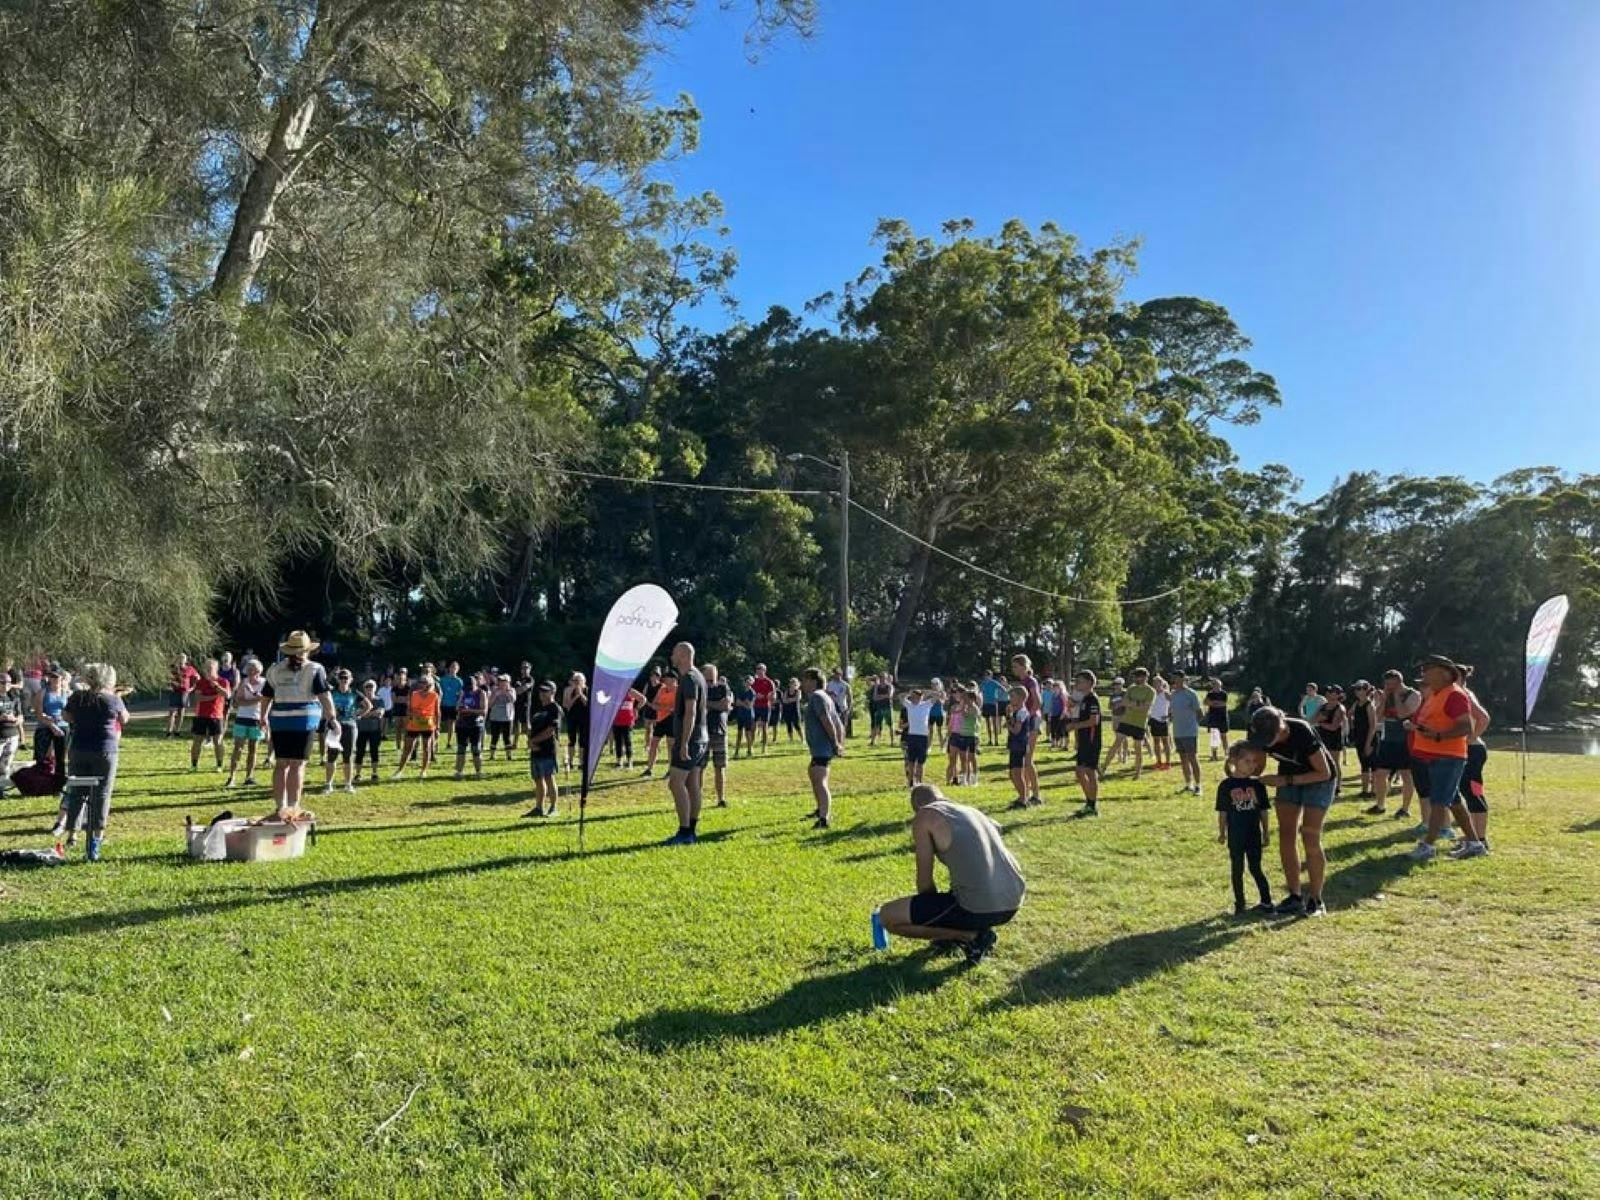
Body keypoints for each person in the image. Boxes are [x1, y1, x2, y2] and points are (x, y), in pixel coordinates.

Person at [877, 783, 1026, 965]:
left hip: (981, 908)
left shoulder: (925, 817)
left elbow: (924, 883)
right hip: (1014, 902)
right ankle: (967, 930)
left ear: (916, 808)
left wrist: (934, 922)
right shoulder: (973, 812)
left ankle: (969, 937)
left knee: (887, 916)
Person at [1247, 704, 1337, 918]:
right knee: (1286, 835)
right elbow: (1258, 763)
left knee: (1310, 836)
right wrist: (1244, 774)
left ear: (1282, 728)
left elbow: (1323, 773)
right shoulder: (1259, 732)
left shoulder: (1301, 731)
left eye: (1271, 738)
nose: (1267, 743)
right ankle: (1295, 897)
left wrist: (1284, 780)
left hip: (1319, 781)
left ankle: (1316, 900)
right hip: (1288, 780)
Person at [1405, 655, 1476, 862]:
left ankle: (1428, 845)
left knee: (1438, 801)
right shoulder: (1436, 694)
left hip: (1448, 756)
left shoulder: (1454, 695)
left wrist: (1437, 736)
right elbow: (1436, 723)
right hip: (1435, 756)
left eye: (1427, 669)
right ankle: (1474, 843)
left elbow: (1466, 727)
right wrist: (1420, 729)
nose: (1423, 673)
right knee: (1452, 800)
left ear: (1443, 673)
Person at [259, 631, 337, 821]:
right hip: (304, 720)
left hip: (279, 720)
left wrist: (263, 717)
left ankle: (280, 807)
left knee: (281, 764)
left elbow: (266, 696)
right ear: (307, 651)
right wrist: (332, 717)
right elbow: (324, 695)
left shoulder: (275, 669)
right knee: (298, 764)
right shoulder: (314, 668)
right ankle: (294, 807)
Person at [58, 663, 130, 862]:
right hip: (104, 750)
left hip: (79, 749)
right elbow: (124, 719)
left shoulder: (77, 697)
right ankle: (95, 841)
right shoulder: (113, 700)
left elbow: (66, 716)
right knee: (102, 794)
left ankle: (72, 833)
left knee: (77, 791)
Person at [1217, 743, 1275, 917]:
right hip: (1235, 835)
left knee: (1256, 868)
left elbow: (1264, 811)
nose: (1252, 765)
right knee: (1237, 869)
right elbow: (1223, 812)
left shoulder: (1258, 785)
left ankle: (1266, 902)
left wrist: (1266, 832)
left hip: (1253, 834)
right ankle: (1240, 904)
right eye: (1247, 761)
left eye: (1254, 761)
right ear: (1234, 761)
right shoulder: (1226, 785)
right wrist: (1222, 832)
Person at [664, 642, 710, 845]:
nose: (671, 655)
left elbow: (690, 712)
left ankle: (684, 832)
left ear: (682, 655)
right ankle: (691, 830)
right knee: (692, 783)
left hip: (691, 739)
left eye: (674, 652)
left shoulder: (690, 678)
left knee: (675, 783)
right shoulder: (698, 675)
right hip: (701, 737)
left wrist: (683, 743)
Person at [1448, 667, 1493, 858]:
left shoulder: (1465, 694)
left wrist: (1471, 738)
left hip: (1473, 751)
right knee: (1466, 792)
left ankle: (1480, 840)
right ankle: (1473, 837)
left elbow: (1483, 718)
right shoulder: (1459, 694)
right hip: (1468, 750)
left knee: (1474, 793)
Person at [1368, 669, 1419, 818]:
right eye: (1386, 684)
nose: (1388, 687)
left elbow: (1403, 714)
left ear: (1399, 682)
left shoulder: (1413, 695)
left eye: (1391, 684)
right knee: (1380, 773)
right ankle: (1380, 805)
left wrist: (1396, 696)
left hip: (1405, 741)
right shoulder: (1387, 695)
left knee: (1406, 775)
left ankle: (1405, 808)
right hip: (1388, 740)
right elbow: (1377, 716)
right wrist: (1384, 700)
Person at [800, 666, 845, 829]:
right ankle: (820, 810)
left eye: (805, 679)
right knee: (814, 774)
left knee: (820, 781)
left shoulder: (818, 697)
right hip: (820, 747)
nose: (802, 683)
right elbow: (838, 723)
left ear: (813, 681)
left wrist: (835, 743)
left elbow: (827, 721)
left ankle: (824, 818)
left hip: (823, 747)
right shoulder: (823, 697)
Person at [320, 668, 367, 794]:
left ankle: (348, 784)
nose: (344, 680)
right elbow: (323, 703)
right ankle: (328, 784)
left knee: (348, 756)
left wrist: (358, 715)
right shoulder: (332, 692)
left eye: (346, 678)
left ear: (351, 680)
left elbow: (368, 706)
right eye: (341, 677)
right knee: (332, 755)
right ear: (338, 679)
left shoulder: (355, 693)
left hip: (350, 726)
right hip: (334, 727)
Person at [1103, 667, 1155, 779]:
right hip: (1126, 720)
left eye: (1139, 676)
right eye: (1135, 676)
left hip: (1140, 723)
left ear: (1145, 677)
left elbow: (1145, 707)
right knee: (1116, 743)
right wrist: (1136, 703)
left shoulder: (1150, 691)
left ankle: (1137, 773)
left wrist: (1132, 704)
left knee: (1138, 748)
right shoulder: (1131, 688)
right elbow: (1124, 702)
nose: (1136, 678)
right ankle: (1103, 767)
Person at [224, 657, 268, 788]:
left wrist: (256, 701)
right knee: (238, 748)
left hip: (256, 719)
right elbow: (238, 702)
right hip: (242, 718)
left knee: (253, 749)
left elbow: (267, 700)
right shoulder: (244, 682)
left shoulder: (265, 683)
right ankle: (232, 777)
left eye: (253, 670)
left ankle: (249, 777)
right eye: (249, 670)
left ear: (259, 670)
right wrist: (256, 700)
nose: (251, 672)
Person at [1064, 670, 1103, 816]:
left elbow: (1094, 721)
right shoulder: (1084, 699)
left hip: (1092, 741)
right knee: (1080, 772)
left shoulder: (1092, 699)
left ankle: (1092, 805)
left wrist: (1075, 726)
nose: (1077, 684)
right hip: (1084, 740)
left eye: (1080, 681)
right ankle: (1089, 802)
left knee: (1089, 772)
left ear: (1089, 683)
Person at [1009, 654, 1044, 805]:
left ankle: (1036, 795)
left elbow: (1037, 701)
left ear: (1024, 666)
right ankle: (1025, 794)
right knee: (1024, 761)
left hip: (1032, 721)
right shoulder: (1023, 682)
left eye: (1016, 666)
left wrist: (1027, 718)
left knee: (1028, 759)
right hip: (1026, 720)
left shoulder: (1031, 681)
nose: (1013, 669)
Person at [524, 681, 562, 817]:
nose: (542, 694)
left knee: (549, 778)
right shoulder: (539, 709)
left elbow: (551, 730)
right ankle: (539, 808)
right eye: (541, 691)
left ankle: (553, 808)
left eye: (546, 691)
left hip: (548, 749)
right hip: (535, 750)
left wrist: (533, 740)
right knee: (538, 779)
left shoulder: (554, 708)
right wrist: (530, 740)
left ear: (553, 692)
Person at [392, 672, 440, 779]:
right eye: (420, 682)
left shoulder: (434, 695)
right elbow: (408, 710)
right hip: (413, 724)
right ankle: (399, 771)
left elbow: (437, 712)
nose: (421, 684)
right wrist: (413, 714)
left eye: (424, 682)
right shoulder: (414, 694)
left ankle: (424, 771)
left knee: (426, 748)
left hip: (428, 725)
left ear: (429, 684)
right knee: (407, 748)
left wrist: (437, 727)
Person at [188, 658, 229, 771]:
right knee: (197, 741)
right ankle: (194, 765)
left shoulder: (223, 681)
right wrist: (215, 696)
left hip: (217, 715)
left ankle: (219, 765)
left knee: (218, 741)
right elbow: (199, 698)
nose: (208, 670)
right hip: (201, 714)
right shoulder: (200, 682)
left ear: (216, 669)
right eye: (206, 668)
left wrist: (215, 686)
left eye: (210, 668)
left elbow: (227, 695)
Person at [1168, 671, 1204, 796]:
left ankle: (1199, 786)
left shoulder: (1191, 694)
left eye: (1177, 679)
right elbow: (1172, 712)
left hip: (1190, 732)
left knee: (1192, 758)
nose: (1175, 681)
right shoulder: (1173, 694)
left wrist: (1193, 726)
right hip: (1178, 731)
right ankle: (1189, 784)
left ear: (1183, 679)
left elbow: (1200, 713)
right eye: (1174, 679)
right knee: (1183, 759)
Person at [1004, 685, 1038, 811]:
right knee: (1012, 774)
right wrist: (1008, 715)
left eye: (1012, 696)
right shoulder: (1017, 711)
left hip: (1020, 745)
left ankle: (1024, 799)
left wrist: (1008, 725)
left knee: (1017, 774)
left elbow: (1016, 730)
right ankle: (1022, 796)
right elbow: (1013, 724)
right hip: (1015, 745)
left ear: (1021, 698)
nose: (1010, 699)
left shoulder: (1022, 712)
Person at [703, 662, 732, 807]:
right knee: (699, 768)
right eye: (707, 680)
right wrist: (716, 704)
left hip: (720, 731)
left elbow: (725, 706)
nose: (710, 683)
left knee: (720, 767)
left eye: (712, 680)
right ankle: (698, 799)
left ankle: (721, 798)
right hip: (702, 732)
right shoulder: (699, 688)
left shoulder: (723, 687)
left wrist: (707, 703)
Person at [32, 668, 69, 775]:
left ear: (62, 679)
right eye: (52, 677)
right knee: (41, 758)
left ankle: (59, 783)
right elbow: (38, 714)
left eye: (57, 677)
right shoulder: (43, 692)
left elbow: (68, 712)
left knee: (60, 758)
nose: (54, 679)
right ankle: (40, 781)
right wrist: (52, 725)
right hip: (45, 725)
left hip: (62, 725)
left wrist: (62, 718)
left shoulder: (66, 693)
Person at [641, 667, 677, 777]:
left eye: (666, 678)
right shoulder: (662, 689)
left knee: (670, 745)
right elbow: (654, 704)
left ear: (673, 679)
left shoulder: (678, 690)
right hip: (660, 719)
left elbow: (675, 708)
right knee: (653, 743)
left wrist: (662, 707)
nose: (664, 680)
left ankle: (671, 770)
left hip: (672, 720)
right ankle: (649, 768)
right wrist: (665, 708)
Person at [453, 672, 487, 780]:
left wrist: (470, 710)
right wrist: (461, 707)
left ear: (476, 683)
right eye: (468, 686)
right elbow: (457, 707)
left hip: (476, 724)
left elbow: (483, 711)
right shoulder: (464, 692)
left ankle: (478, 771)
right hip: (462, 724)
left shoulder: (481, 693)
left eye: (472, 685)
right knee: (461, 748)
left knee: (476, 748)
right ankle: (459, 772)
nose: (470, 688)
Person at [1348, 680, 1379, 800]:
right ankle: (1364, 790)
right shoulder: (1356, 704)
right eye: (1356, 689)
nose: (1358, 691)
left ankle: (1374, 790)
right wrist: (1351, 725)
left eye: (1361, 689)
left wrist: (1368, 743)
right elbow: (1348, 714)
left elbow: (1373, 726)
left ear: (1367, 690)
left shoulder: (1369, 705)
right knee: (1364, 765)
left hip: (1369, 737)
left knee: (1373, 765)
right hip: (1359, 737)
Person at [900, 686, 935, 787]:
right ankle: (910, 782)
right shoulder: (909, 705)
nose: (916, 699)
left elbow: (939, 695)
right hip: (912, 736)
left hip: (923, 736)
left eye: (918, 697)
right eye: (914, 697)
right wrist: (909, 693)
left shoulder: (926, 705)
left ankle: (919, 782)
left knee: (921, 762)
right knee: (911, 761)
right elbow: (901, 696)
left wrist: (926, 692)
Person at [355, 678, 385, 782]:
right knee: (360, 751)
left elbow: (380, 713)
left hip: (374, 730)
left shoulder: (379, 700)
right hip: (361, 730)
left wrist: (365, 714)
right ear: (364, 689)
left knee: (374, 751)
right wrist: (372, 713)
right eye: (367, 687)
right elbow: (356, 713)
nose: (369, 689)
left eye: (371, 686)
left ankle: (375, 773)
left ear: (375, 688)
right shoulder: (359, 700)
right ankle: (358, 774)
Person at [0, 674, 25, 795]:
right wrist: (2, 717)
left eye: (8, 683)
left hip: (12, 734)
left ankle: (1, 789)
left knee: (6, 764)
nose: (6, 685)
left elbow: (20, 715)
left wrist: (17, 719)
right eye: (2, 683)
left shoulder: (13, 696)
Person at [611, 684, 646, 769]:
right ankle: (619, 762)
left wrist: (636, 708)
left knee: (628, 741)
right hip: (616, 720)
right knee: (618, 741)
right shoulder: (614, 691)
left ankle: (629, 762)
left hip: (628, 720)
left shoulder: (630, 691)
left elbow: (643, 699)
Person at [562, 672, 589, 774]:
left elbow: (588, 704)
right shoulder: (568, 690)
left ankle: (582, 762)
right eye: (574, 681)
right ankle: (570, 761)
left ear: (583, 681)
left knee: (582, 740)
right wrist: (575, 696)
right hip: (572, 718)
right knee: (571, 740)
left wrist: (581, 694)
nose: (576, 683)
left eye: (578, 681)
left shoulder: (587, 689)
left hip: (584, 718)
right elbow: (566, 705)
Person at [165, 654, 198, 738]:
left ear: (186, 660)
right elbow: (167, 677)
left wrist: (192, 688)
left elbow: (197, 677)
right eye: (180, 658)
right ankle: (169, 732)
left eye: (183, 658)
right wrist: (169, 685)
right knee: (172, 712)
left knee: (181, 712)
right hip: (174, 692)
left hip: (184, 692)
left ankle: (177, 731)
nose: (181, 660)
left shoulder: (190, 669)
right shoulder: (173, 668)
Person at [487, 673, 517, 760]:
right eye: (500, 681)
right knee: (494, 737)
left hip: (507, 718)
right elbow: (489, 704)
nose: (501, 683)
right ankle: (492, 756)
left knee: (507, 737)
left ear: (508, 682)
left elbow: (513, 700)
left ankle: (509, 756)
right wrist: (496, 695)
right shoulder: (494, 690)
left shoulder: (512, 690)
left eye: (504, 681)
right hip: (495, 717)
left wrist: (506, 692)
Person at [751, 663, 778, 752]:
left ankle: (764, 747)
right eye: (757, 669)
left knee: (764, 726)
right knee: (753, 726)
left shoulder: (769, 682)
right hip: (754, 706)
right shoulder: (753, 681)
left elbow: (773, 695)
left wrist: (765, 696)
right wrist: (755, 696)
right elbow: (749, 692)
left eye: (760, 669)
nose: (759, 670)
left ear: (764, 670)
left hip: (765, 706)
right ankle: (750, 746)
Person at [437, 662, 464, 751]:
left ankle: (449, 743)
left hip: (453, 705)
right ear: (449, 668)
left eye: (455, 668)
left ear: (458, 669)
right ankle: (435, 742)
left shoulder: (459, 681)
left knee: (451, 724)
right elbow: (438, 692)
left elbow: (461, 694)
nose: (453, 669)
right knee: (438, 724)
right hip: (442, 704)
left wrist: (458, 704)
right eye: (452, 667)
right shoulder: (443, 680)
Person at [1148, 676, 1173, 770]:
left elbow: (1174, 704)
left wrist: (1169, 715)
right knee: (1156, 742)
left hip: (1163, 721)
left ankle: (1168, 762)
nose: (1155, 685)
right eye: (1154, 683)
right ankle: (1159, 762)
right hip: (1153, 720)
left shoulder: (1166, 693)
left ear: (1162, 684)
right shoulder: (1152, 694)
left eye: (1157, 683)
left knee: (1165, 742)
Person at [1204, 678, 1231, 760]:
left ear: (1220, 685)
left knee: (1223, 736)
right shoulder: (1210, 694)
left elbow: (1222, 704)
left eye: (1217, 685)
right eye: (1214, 685)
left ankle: (1227, 753)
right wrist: (1214, 703)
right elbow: (1205, 702)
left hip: (1222, 717)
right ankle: (1214, 755)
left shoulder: (1224, 694)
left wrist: (1213, 703)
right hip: (1213, 717)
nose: (1215, 686)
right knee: (1214, 736)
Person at [732, 675, 757, 759]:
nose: (747, 682)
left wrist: (741, 703)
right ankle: (736, 752)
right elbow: (737, 702)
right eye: (746, 681)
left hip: (748, 715)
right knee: (739, 734)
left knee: (748, 733)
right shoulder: (740, 691)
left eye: (749, 681)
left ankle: (749, 751)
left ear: (752, 682)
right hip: (740, 715)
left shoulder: (752, 692)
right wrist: (744, 702)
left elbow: (749, 706)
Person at [979, 670, 1006, 746]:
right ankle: (990, 740)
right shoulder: (983, 683)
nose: (987, 677)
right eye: (985, 675)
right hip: (985, 704)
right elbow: (979, 691)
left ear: (991, 676)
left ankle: (996, 740)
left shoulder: (994, 683)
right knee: (987, 723)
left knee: (994, 723)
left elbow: (1003, 689)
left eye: (988, 675)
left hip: (993, 704)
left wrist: (998, 697)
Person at [825, 669, 853, 739]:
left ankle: (842, 739)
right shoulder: (829, 684)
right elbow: (825, 694)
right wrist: (830, 693)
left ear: (841, 674)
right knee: (833, 724)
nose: (836, 675)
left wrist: (849, 708)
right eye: (835, 674)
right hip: (832, 707)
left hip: (843, 707)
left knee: (843, 725)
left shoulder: (845, 685)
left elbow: (850, 697)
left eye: (838, 674)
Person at [387, 667, 411, 750]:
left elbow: (407, 700)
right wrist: (402, 699)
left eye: (402, 679)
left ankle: (405, 745)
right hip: (396, 710)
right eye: (399, 679)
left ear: (405, 679)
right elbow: (394, 700)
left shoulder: (408, 688)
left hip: (406, 711)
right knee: (397, 730)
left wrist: (400, 699)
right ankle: (398, 746)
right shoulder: (394, 688)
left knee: (406, 729)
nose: (400, 680)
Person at [868, 673, 894, 747]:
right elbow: (874, 698)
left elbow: (889, 696)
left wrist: (880, 696)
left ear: (886, 678)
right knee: (876, 725)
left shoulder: (889, 686)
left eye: (884, 677)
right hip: (879, 708)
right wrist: (884, 696)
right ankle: (873, 741)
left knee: (890, 725)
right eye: (881, 677)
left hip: (887, 707)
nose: (882, 679)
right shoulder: (877, 686)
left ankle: (892, 742)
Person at [781, 677, 803, 742]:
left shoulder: (798, 691)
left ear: (796, 684)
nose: (792, 685)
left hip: (795, 710)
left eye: (794, 684)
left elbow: (797, 699)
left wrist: (789, 700)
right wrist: (791, 700)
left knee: (796, 724)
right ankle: (791, 739)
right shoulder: (786, 691)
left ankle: (802, 738)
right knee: (788, 724)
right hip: (787, 710)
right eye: (791, 683)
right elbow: (784, 700)